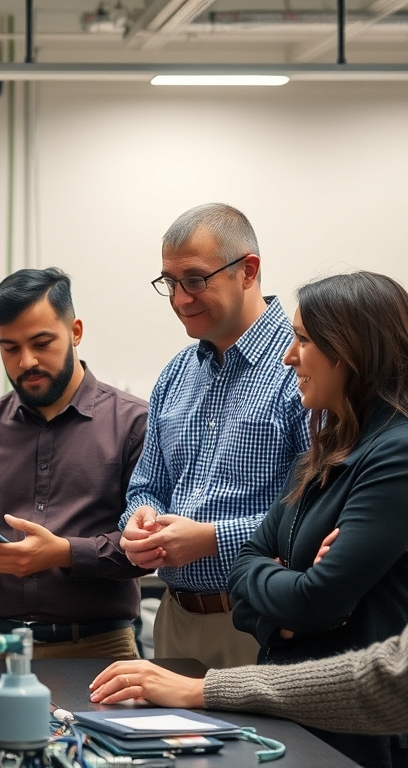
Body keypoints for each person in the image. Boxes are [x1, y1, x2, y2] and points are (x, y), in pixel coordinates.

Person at [90, 221, 408, 768]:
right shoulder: (331, 442)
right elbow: (253, 568)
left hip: (360, 731)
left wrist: (216, 677)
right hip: (286, 681)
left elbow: (394, 663)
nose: (292, 357)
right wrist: (286, 585)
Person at [226, 271, 408, 768]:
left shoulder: (404, 457)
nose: (289, 356)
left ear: (349, 352)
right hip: (307, 720)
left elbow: (318, 600)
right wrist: (285, 609)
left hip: (370, 740)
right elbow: (242, 571)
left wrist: (297, 593)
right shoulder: (322, 453)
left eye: (303, 340)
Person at [119, 203, 309, 669]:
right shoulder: (176, 374)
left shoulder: (300, 369)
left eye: (196, 280)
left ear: (248, 271)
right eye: (169, 282)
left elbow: (317, 512)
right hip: (176, 616)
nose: (181, 298)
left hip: (259, 620)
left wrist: (212, 539)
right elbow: (148, 484)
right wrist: (138, 521)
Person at [0, 268, 151, 659]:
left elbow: (144, 549)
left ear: (75, 332)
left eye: (41, 342)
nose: (26, 361)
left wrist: (64, 552)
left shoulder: (134, 424)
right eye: (9, 348)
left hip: (98, 647)